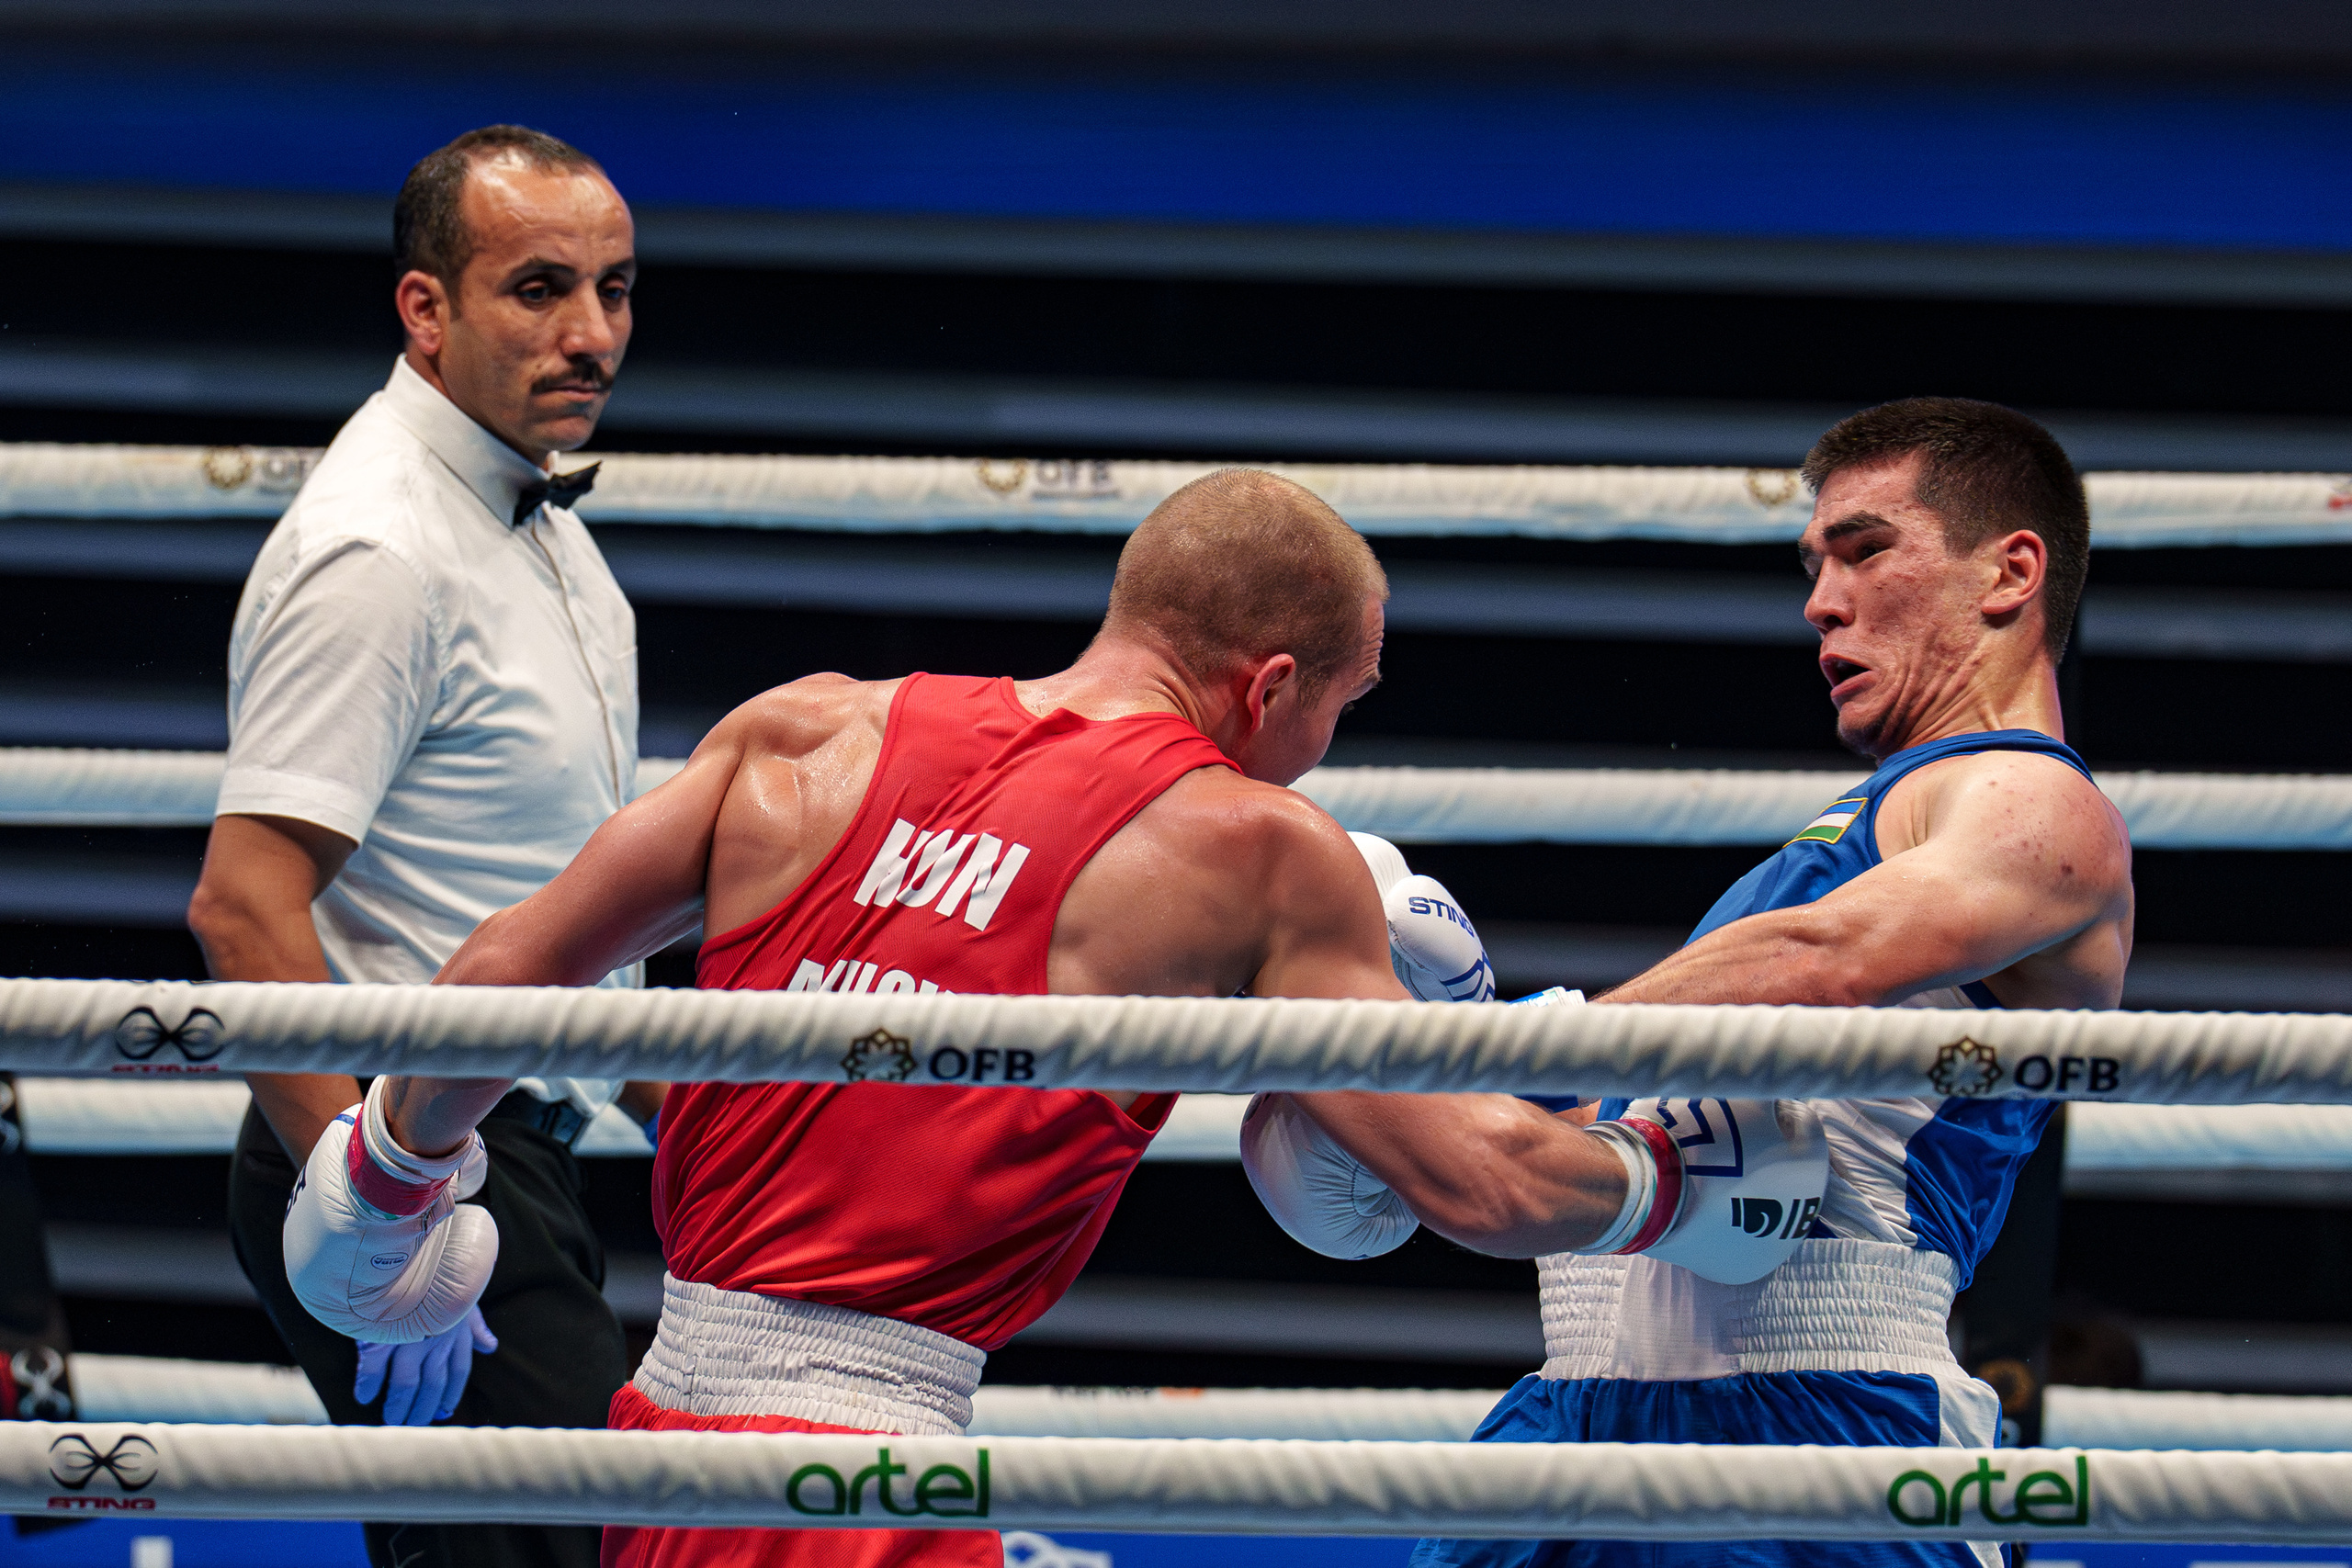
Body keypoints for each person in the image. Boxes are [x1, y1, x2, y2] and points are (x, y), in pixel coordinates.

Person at [280, 469, 1824, 1568]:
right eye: (1338, 704)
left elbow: (501, 969)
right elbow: (1477, 1183)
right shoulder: (1252, 849)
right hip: (860, 1478)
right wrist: (1681, 1190)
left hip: (662, 1427)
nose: (1324, 748)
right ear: (1268, 683)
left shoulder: (811, 724)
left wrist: (392, 1184)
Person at [1251, 398, 2134, 1568]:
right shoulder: (1839, 837)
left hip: (1820, 1423)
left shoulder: (2035, 801)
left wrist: (1519, 1059)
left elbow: (1819, 963)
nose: (1822, 599)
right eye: (1814, 564)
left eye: (1867, 550)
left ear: (2009, 572)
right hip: (1571, 1414)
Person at [186, 124, 662, 1568]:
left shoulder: (543, 529)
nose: (592, 334)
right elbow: (243, 905)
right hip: (412, 1156)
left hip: (512, 1154)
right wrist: (379, 1219)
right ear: (427, 309)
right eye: (539, 289)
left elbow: (543, 899)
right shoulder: (383, 546)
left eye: (618, 288)